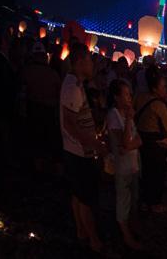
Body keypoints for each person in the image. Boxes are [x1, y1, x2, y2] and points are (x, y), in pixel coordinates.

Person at [60, 43, 105, 252]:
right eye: (89, 60)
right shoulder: (72, 87)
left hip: (76, 150)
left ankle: (81, 232)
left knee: (78, 194)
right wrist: (94, 144)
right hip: (78, 152)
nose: (93, 64)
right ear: (79, 62)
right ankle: (94, 240)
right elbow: (70, 123)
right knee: (86, 197)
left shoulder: (75, 84)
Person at [135, 71, 167, 212]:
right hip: (155, 143)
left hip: (140, 139)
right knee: (156, 173)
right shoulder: (159, 105)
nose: (166, 89)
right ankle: (154, 203)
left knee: (144, 171)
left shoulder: (140, 97)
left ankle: (143, 200)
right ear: (155, 88)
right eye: (164, 86)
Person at [106, 79, 143, 250]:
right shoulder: (114, 116)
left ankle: (131, 229)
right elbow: (127, 143)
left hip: (133, 165)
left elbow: (138, 141)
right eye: (126, 95)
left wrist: (130, 143)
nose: (130, 98)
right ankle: (126, 237)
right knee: (123, 202)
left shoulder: (126, 114)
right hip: (122, 168)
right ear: (116, 97)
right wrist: (129, 119)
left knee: (132, 200)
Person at [21, 41, 62, 172]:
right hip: (49, 112)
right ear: (45, 57)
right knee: (47, 143)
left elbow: (22, 93)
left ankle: (37, 170)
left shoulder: (26, 71)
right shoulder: (53, 74)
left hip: (33, 110)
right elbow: (58, 95)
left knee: (36, 143)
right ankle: (48, 171)